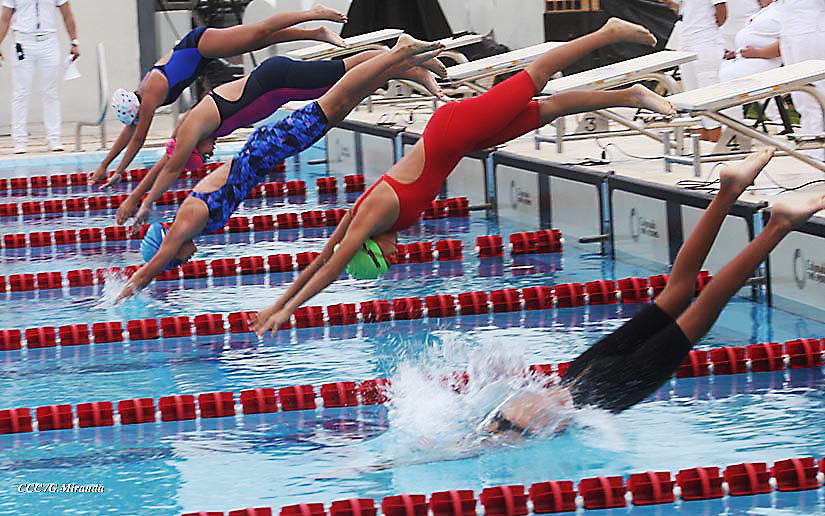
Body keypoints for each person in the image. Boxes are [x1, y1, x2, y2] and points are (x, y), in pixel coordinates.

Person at [250, 18, 676, 335]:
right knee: (549, 109)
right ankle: (632, 95)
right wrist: (277, 303)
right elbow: (322, 257)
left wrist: (290, 311)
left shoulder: (375, 214)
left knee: (536, 79)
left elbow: (331, 267)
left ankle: (607, 32)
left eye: (385, 260)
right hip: (463, 141)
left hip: (456, 129)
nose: (397, 259)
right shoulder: (367, 221)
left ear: (372, 249)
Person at [482, 149, 825, 437]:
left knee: (705, 306)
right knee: (677, 293)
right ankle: (728, 189)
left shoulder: (487, 444)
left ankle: (778, 225)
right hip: (577, 375)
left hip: (599, 393)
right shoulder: (482, 423)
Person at [115, 35, 446, 303]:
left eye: (175, 261)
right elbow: (170, 165)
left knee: (337, 101)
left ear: (166, 249)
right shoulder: (190, 220)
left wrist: (120, 295)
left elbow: (149, 270)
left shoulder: (184, 224)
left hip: (267, 149)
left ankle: (398, 53)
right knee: (340, 105)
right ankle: (396, 64)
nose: (183, 262)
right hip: (267, 151)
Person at [113, 50, 446, 226]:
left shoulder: (189, 131)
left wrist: (140, 203)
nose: (211, 154)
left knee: (342, 75)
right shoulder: (187, 134)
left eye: (204, 155)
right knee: (341, 74)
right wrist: (138, 195)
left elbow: (171, 169)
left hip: (278, 82)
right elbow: (167, 163)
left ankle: (404, 59)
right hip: (275, 82)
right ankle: (402, 62)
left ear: (192, 150)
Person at [87, 4, 348, 185]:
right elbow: (130, 133)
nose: (138, 121)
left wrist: (118, 170)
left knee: (260, 31)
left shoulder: (151, 91)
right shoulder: (141, 99)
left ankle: (314, 14)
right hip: (201, 56)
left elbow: (138, 138)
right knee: (260, 39)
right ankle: (317, 33)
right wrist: (104, 164)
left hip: (200, 45)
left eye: (137, 117)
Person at [0, 0, 79, 154]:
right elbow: (5, 17)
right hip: (23, 41)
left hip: (48, 41)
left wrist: (74, 41)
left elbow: (67, 14)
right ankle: (19, 140)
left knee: (51, 92)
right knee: (20, 93)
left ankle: (54, 137)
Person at [666, 0, 728, 142]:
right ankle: (699, 142)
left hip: (705, 38)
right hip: (686, 37)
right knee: (691, 91)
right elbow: (680, 9)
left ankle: (715, 141)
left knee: (708, 89)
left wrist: (705, 28)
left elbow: (722, 13)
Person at [719, 0, 782, 123]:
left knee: (727, 77)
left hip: (766, 60)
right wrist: (737, 51)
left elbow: (786, 43)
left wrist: (759, 53)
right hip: (745, 58)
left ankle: (733, 126)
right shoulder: (770, 9)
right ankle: (726, 123)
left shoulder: (787, 11)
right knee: (716, 73)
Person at [778, 0, 825, 160]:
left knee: (814, 87)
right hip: (789, 28)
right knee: (799, 91)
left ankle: (818, 147)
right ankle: (810, 140)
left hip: (810, 29)